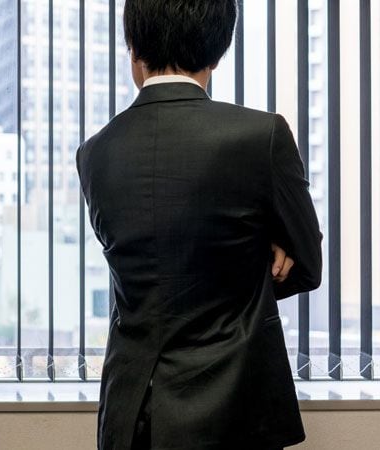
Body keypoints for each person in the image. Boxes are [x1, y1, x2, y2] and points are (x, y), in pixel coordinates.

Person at [76, 0, 323, 448]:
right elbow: (307, 266)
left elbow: (151, 267)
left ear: (133, 46)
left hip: (131, 413)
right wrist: (252, 259)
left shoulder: (95, 153)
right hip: (235, 407)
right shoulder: (261, 136)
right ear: (219, 50)